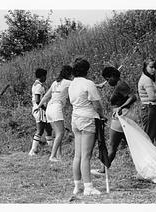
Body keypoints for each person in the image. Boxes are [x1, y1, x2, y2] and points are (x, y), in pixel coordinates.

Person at [68, 57, 107, 195]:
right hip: (88, 119)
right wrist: (102, 115)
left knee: (77, 155)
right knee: (86, 156)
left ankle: (77, 185)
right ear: (87, 70)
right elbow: (97, 105)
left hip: (76, 119)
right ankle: (88, 187)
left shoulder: (72, 84)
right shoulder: (88, 83)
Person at [91, 67, 137, 175]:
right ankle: (142, 167)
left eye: (108, 79)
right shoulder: (119, 85)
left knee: (112, 145)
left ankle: (103, 169)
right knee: (130, 145)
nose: (107, 82)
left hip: (121, 116)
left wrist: (121, 107)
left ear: (112, 77)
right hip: (122, 115)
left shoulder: (121, 85)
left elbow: (132, 97)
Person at [35, 65, 73, 162]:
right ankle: (52, 156)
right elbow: (82, 85)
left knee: (57, 133)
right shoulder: (68, 82)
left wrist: (38, 107)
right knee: (61, 133)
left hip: (49, 109)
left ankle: (59, 155)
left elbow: (46, 96)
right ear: (69, 74)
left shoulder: (55, 82)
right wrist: (98, 85)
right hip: (56, 108)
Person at [29, 68, 51, 156]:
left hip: (39, 109)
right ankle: (32, 150)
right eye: (45, 76)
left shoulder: (36, 84)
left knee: (48, 128)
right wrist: (45, 108)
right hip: (40, 109)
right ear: (42, 76)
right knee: (40, 130)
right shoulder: (38, 86)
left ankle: (51, 149)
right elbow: (38, 100)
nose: (46, 78)